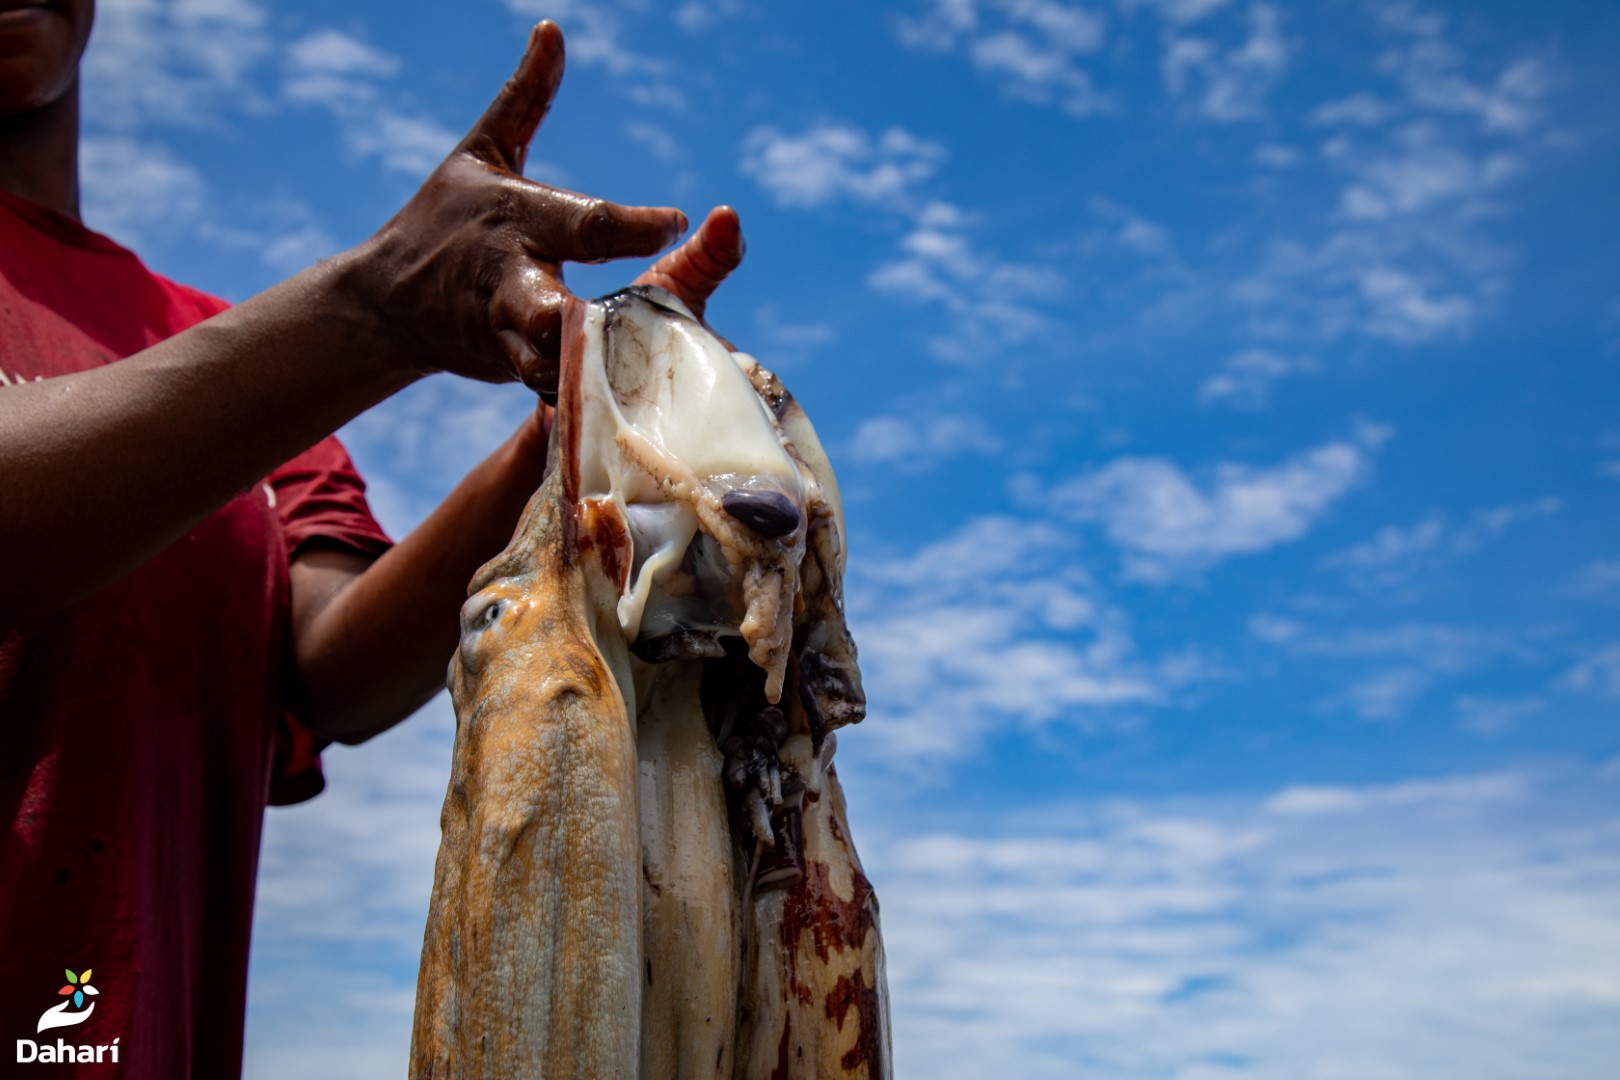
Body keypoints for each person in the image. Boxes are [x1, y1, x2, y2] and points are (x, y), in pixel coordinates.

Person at [0, 6, 746, 1076]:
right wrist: (379, 304)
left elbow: (327, 675)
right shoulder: (279, 362)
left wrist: (572, 413)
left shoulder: (213, 354)